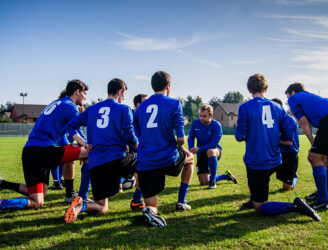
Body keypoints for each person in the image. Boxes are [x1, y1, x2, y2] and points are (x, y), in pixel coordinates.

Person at [235, 74, 320, 221]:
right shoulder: (278, 108)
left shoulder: (245, 107)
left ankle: (294, 206)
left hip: (257, 162)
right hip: (276, 159)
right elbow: (291, 126)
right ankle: (255, 196)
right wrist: (281, 138)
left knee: (259, 206)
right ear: (266, 88)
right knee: (259, 182)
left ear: (249, 89)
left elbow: (239, 135)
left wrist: (249, 134)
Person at [0, 80, 90, 211]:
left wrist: (75, 149)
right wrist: (86, 145)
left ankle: (3, 187)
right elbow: (75, 131)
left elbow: (63, 139)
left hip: (30, 152)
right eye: (85, 93)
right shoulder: (71, 107)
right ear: (77, 91)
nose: (85, 97)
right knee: (89, 152)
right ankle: (77, 195)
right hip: (43, 150)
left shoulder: (56, 103)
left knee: (38, 201)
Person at [63, 78, 138, 223]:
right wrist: (139, 146)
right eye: (124, 94)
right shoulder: (124, 109)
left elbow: (70, 126)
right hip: (116, 160)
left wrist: (83, 143)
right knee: (144, 163)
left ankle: (81, 205)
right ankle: (141, 201)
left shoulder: (92, 109)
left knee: (102, 207)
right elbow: (129, 135)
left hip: (96, 163)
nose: (124, 97)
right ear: (119, 91)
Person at [133, 71, 194, 228]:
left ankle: (149, 211)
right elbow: (181, 139)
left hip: (146, 162)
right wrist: (180, 147)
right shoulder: (174, 103)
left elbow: (136, 135)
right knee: (191, 159)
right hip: (167, 159)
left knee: (153, 205)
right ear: (168, 86)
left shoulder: (140, 108)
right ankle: (181, 201)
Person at [285, 82, 328, 210]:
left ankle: (323, 200)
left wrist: (313, 144)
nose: (288, 100)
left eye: (288, 97)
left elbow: (304, 124)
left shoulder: (294, 98)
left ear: (292, 92)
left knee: (315, 158)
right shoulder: (312, 97)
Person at [188, 104, 237, 189]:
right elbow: (191, 137)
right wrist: (191, 147)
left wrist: (199, 148)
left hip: (215, 151)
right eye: (200, 115)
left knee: (210, 151)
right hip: (201, 153)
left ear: (210, 115)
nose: (201, 118)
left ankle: (213, 182)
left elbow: (213, 144)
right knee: (204, 182)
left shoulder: (217, 126)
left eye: (204, 116)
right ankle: (226, 176)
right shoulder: (196, 123)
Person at [271, 98, 299, 191]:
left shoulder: (289, 120)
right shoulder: (272, 120)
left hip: (290, 154)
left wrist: (273, 138)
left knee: (286, 188)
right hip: (278, 153)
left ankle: (294, 177)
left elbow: (288, 142)